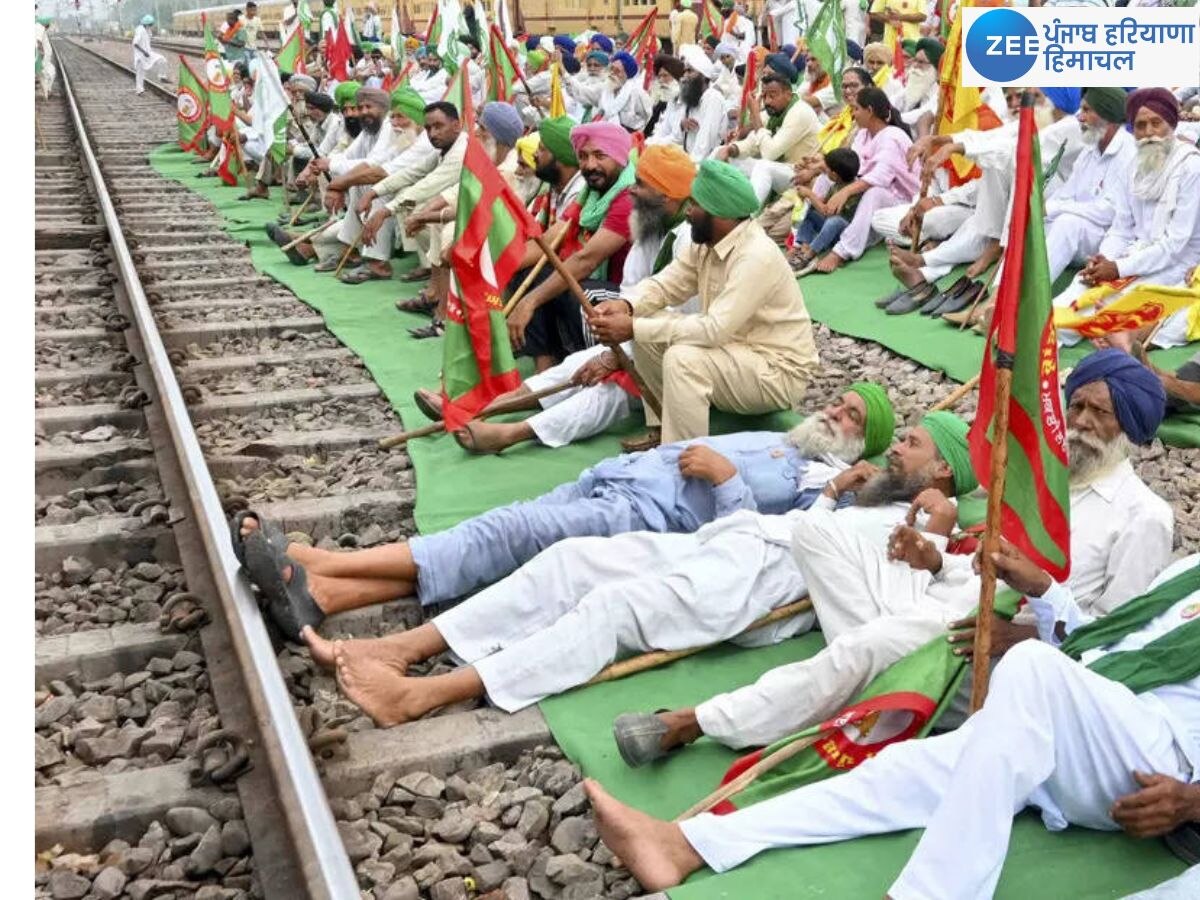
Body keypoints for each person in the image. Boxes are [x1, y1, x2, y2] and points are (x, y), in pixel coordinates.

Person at [615, 349, 1174, 763]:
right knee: (819, 539)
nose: (1078, 421)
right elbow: (985, 564)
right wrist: (937, 560)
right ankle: (883, 682)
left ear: (1132, 425)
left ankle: (698, 721)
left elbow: (1118, 640)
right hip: (950, 603)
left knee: (870, 643)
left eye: (1097, 411)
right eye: (1074, 405)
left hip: (1007, 656)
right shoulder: (1049, 487)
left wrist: (1023, 637)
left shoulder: (1144, 516)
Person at [584, 551, 1200, 897]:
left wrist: (1192, 802)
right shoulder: (1187, 568)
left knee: (1033, 669)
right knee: (900, 770)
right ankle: (689, 845)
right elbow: (1113, 644)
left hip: (1158, 766)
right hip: (1101, 722)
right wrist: (1046, 596)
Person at [291, 413, 974, 725]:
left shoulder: (930, 513)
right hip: (734, 541)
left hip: (764, 586)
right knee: (571, 561)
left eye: (910, 446)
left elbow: (915, 571)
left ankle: (420, 695)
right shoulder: (856, 491)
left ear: (941, 470)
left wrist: (934, 531)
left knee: (611, 612)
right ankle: (401, 648)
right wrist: (831, 493)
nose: (897, 453)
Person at [234, 382, 894, 632]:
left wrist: (727, 480)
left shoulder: (819, 486)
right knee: (494, 542)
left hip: (643, 520)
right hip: (614, 480)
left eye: (851, 416)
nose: (835, 411)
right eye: (840, 400)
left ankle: (323, 568)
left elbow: (758, 546)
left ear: (862, 444)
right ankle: (321, 587)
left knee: (505, 530)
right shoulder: (787, 434)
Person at [437, 145, 705, 454]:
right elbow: (632, 291)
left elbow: (680, 319)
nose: (632, 190)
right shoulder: (649, 226)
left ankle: (513, 433)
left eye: (641, 185)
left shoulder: (690, 238)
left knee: (608, 388)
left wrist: (619, 355)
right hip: (639, 335)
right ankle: (483, 408)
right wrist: (617, 338)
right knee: (576, 364)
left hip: (676, 349)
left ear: (667, 195)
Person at [589, 160, 820, 448]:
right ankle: (662, 430)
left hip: (775, 370)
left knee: (681, 357)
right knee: (648, 328)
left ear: (720, 213)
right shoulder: (706, 243)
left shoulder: (755, 256)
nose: (687, 212)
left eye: (695, 205)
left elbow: (714, 330)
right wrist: (627, 306)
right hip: (733, 354)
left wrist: (633, 327)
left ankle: (679, 461)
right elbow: (666, 285)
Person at [1055, 89, 1200, 346]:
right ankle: (1041, 331)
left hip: (1176, 265)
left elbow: (1174, 245)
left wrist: (1118, 268)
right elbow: (1121, 228)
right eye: (1141, 125)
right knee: (1078, 289)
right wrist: (1104, 259)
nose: (1149, 132)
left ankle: (1055, 336)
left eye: (1157, 123)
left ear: (1172, 124)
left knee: (1112, 309)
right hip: (1133, 257)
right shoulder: (1134, 165)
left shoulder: (1190, 167)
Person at [506, 122, 637, 370]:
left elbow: (586, 259)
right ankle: (545, 367)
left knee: (575, 290)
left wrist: (529, 302)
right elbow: (548, 242)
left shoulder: (627, 197)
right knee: (528, 273)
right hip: (595, 282)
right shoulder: (591, 193)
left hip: (627, 295)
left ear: (619, 156)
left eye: (600, 155)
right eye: (584, 156)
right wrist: (496, 268)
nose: (589, 165)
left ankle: (590, 366)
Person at [808, 86, 919, 274]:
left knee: (874, 192)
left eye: (856, 109)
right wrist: (820, 167)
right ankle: (804, 242)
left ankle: (842, 251)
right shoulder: (863, 134)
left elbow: (880, 177)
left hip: (903, 203)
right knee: (829, 176)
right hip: (871, 197)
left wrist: (846, 191)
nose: (853, 114)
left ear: (870, 111)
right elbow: (851, 168)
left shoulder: (892, 136)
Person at [716, 73, 821, 204]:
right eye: (764, 96)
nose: (767, 101)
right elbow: (752, 142)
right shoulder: (774, 111)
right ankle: (711, 200)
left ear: (788, 95)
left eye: (772, 96)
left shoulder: (800, 112)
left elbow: (770, 154)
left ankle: (747, 212)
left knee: (763, 166)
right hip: (780, 168)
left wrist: (755, 114)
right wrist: (732, 149)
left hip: (799, 174)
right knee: (723, 152)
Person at [647, 46, 729, 162]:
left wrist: (688, 168)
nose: (684, 76)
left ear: (703, 75)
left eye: (690, 71)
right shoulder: (691, 99)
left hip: (704, 165)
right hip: (687, 161)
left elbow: (704, 146)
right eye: (685, 71)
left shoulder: (713, 98)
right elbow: (676, 137)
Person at [788, 147, 862, 274]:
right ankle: (803, 246)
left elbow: (828, 212)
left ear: (834, 175)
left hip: (841, 233)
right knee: (810, 213)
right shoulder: (836, 185)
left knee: (835, 221)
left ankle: (810, 254)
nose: (824, 171)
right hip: (828, 226)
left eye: (827, 169)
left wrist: (810, 195)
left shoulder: (853, 192)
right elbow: (823, 204)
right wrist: (807, 196)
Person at [600, 52, 653, 132]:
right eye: (612, 68)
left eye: (617, 71)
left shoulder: (637, 93)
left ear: (627, 75)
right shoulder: (607, 89)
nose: (612, 73)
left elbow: (647, 117)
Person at [132, 15, 167, 95]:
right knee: (140, 73)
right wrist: (144, 52)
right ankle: (139, 90)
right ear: (146, 24)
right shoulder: (139, 30)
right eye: (151, 24)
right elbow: (135, 44)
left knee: (162, 60)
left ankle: (162, 76)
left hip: (148, 53)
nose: (152, 26)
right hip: (140, 55)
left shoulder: (147, 29)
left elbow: (149, 37)